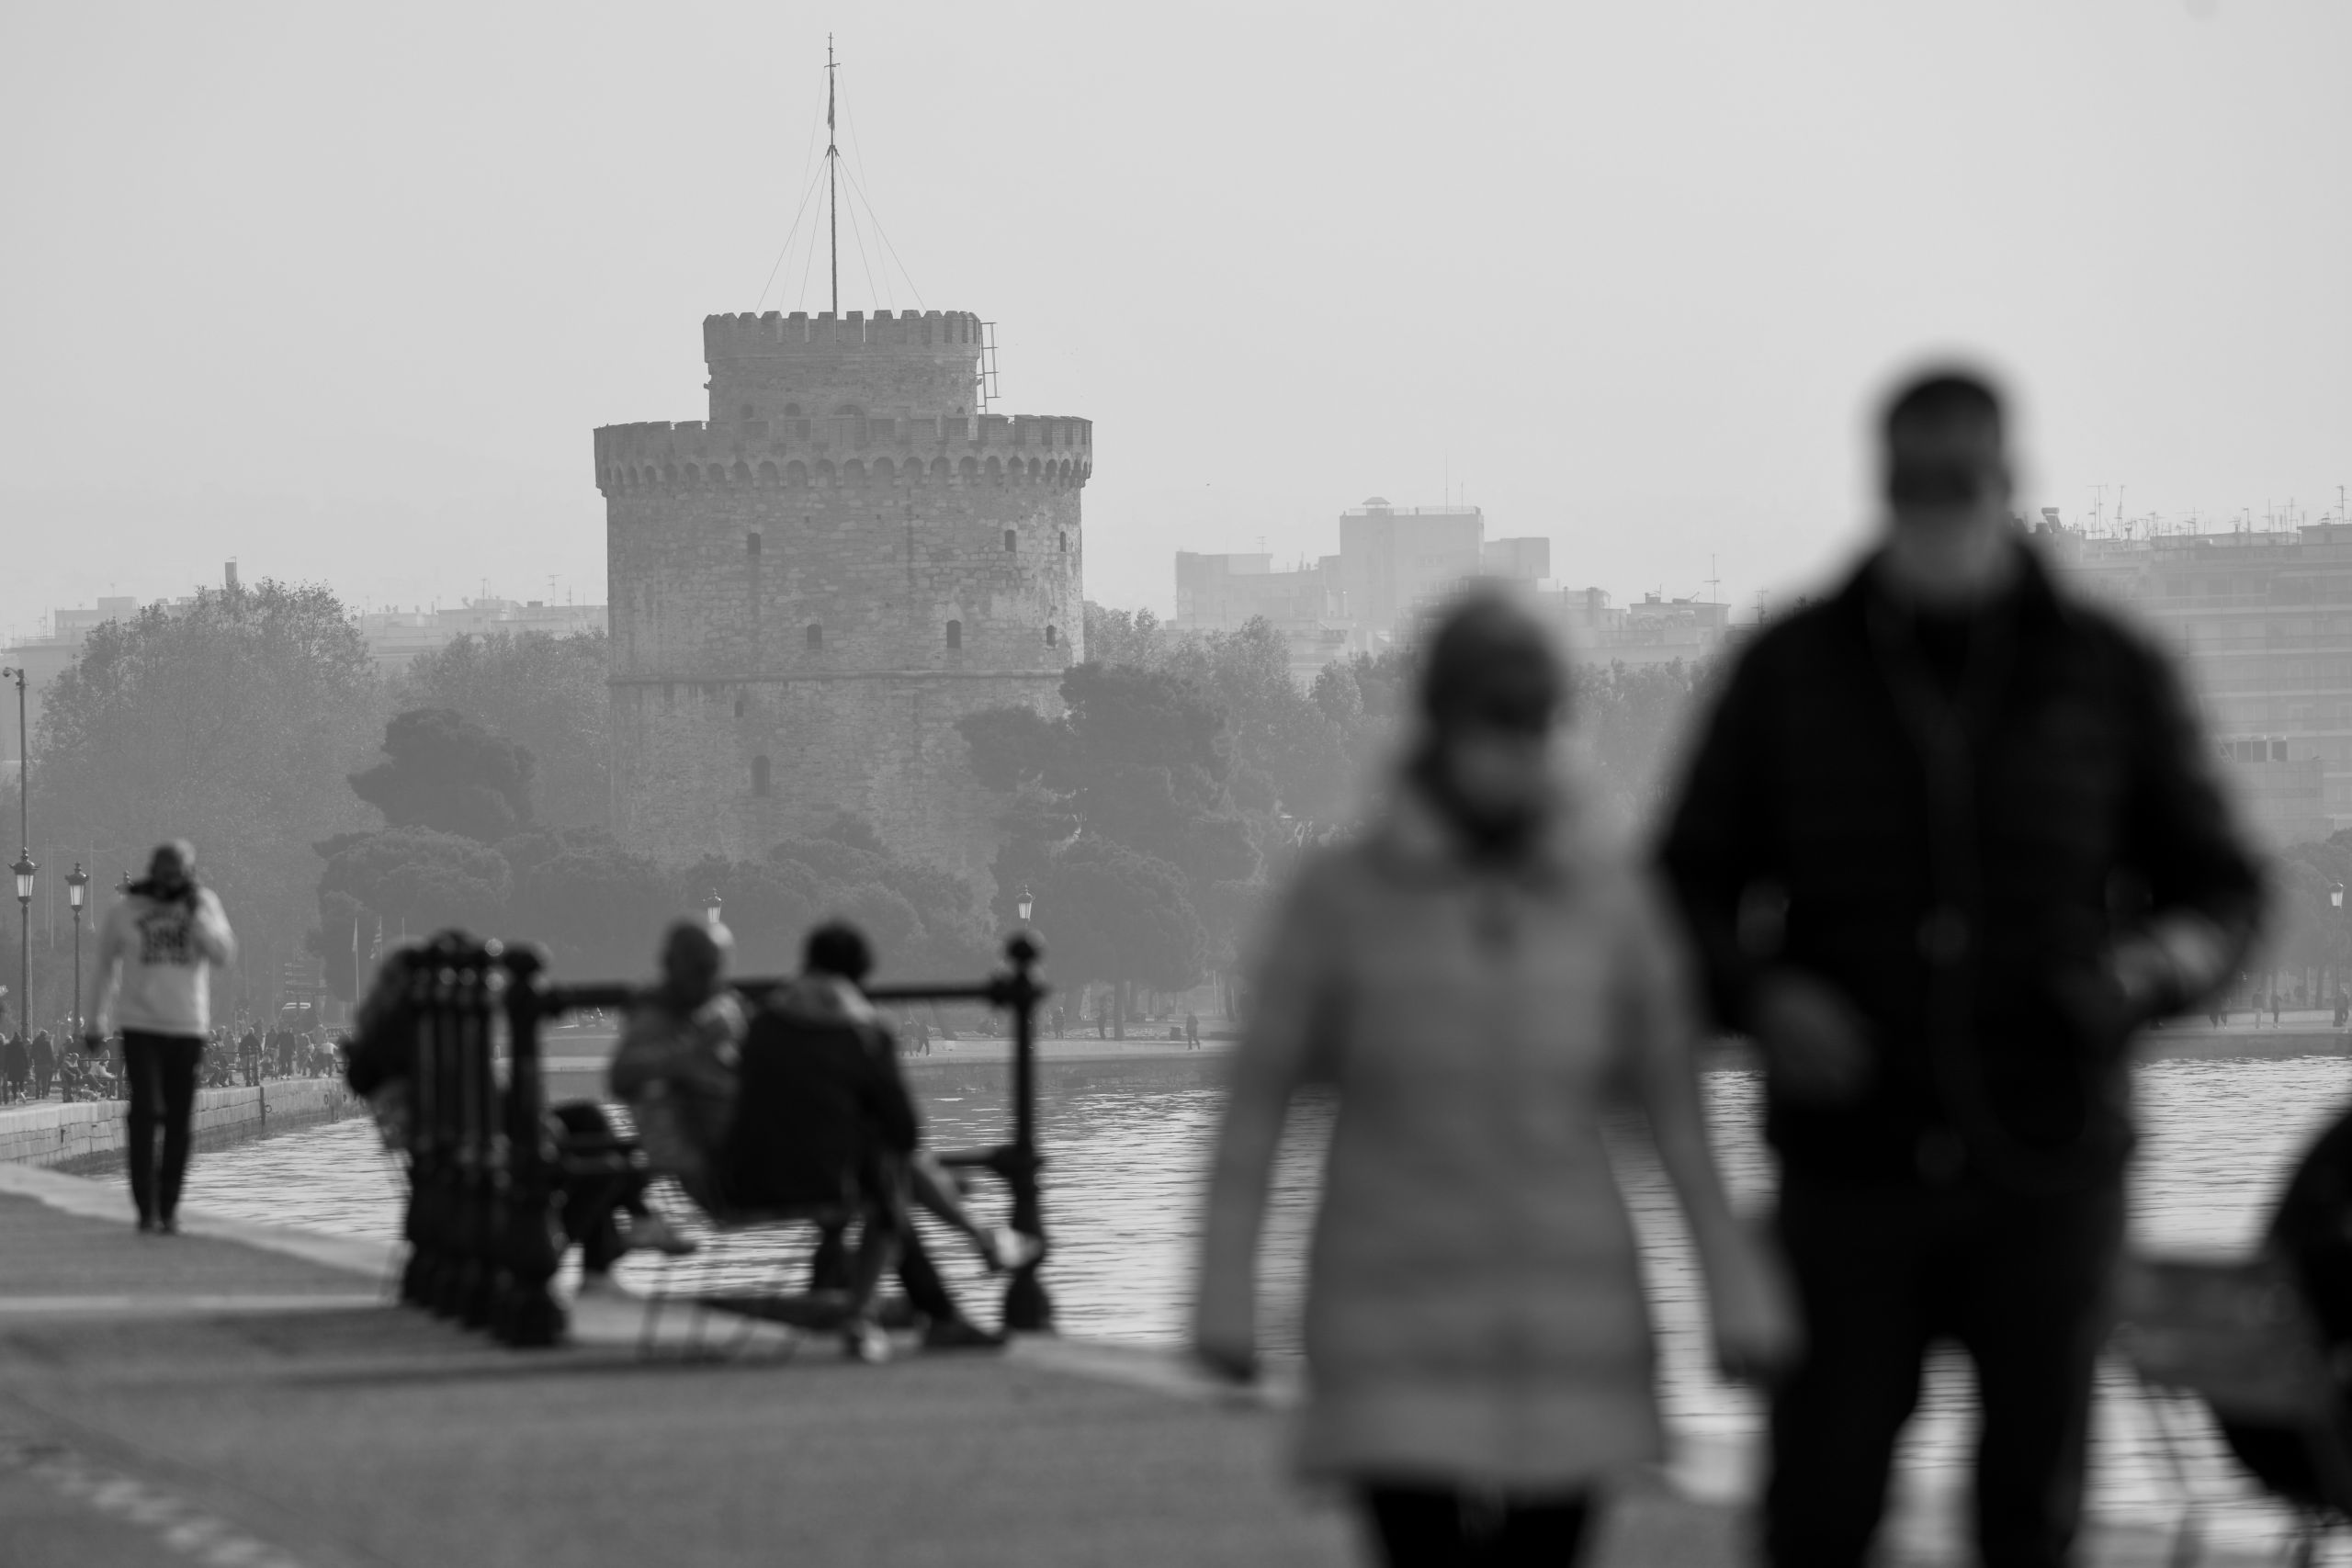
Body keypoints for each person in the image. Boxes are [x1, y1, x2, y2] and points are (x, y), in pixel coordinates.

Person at [1657, 369, 2265, 1568]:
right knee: (1818, 1510)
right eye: (1912, 481)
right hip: (1849, 1166)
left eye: (1961, 480)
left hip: (2049, 1164)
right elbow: (1679, 887)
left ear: (2006, 483)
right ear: (1878, 486)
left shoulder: (2106, 673)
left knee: (2029, 1519)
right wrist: (1761, 992)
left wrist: (2148, 967)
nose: (1937, 506)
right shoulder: (1789, 673)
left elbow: (2224, 888)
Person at [1196, 591, 1795, 1568]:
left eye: (1533, 716)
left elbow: (1677, 1120)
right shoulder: (1341, 899)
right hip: (1391, 1319)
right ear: (1440, 722)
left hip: (1572, 1326)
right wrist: (1224, 1290)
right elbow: (1257, 1108)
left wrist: (1736, 1291)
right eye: (1494, 714)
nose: (1515, 742)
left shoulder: (1611, 903)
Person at [741, 921, 1023, 1353]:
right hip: (830, 1180)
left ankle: (941, 1306)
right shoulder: (863, 1032)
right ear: (857, 978)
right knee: (891, 1170)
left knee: (887, 1172)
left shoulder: (759, 1025)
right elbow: (906, 1130)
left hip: (748, 1173)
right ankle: (971, 1248)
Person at [83, 840, 240, 1235]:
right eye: (165, 871)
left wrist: (196, 914)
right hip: (140, 1024)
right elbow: (104, 967)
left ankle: (168, 1206)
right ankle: (144, 1206)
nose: (171, 880)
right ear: (153, 870)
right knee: (145, 1111)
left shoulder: (204, 903)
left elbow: (223, 955)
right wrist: (95, 1022)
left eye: (178, 873)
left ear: (188, 874)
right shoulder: (127, 910)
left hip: (187, 1025)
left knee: (179, 1117)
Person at [0, 1032, 26, 1103]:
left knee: (13, 1083)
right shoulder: (21, 1045)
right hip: (20, 1066)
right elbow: (25, 1056)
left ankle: (15, 1098)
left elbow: (7, 1058)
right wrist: (27, 1067)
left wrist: (6, 1068)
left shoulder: (9, 1046)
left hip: (12, 1067)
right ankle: (21, 1092)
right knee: (21, 1081)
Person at [29, 1029, 55, 1100]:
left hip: (37, 1064)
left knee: (38, 1079)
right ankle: (43, 1095)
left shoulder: (35, 1043)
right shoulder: (47, 1043)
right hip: (46, 1064)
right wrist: (53, 1064)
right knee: (45, 1080)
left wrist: (31, 1061)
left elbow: (31, 1053)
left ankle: (37, 1094)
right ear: (45, 1035)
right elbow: (51, 1054)